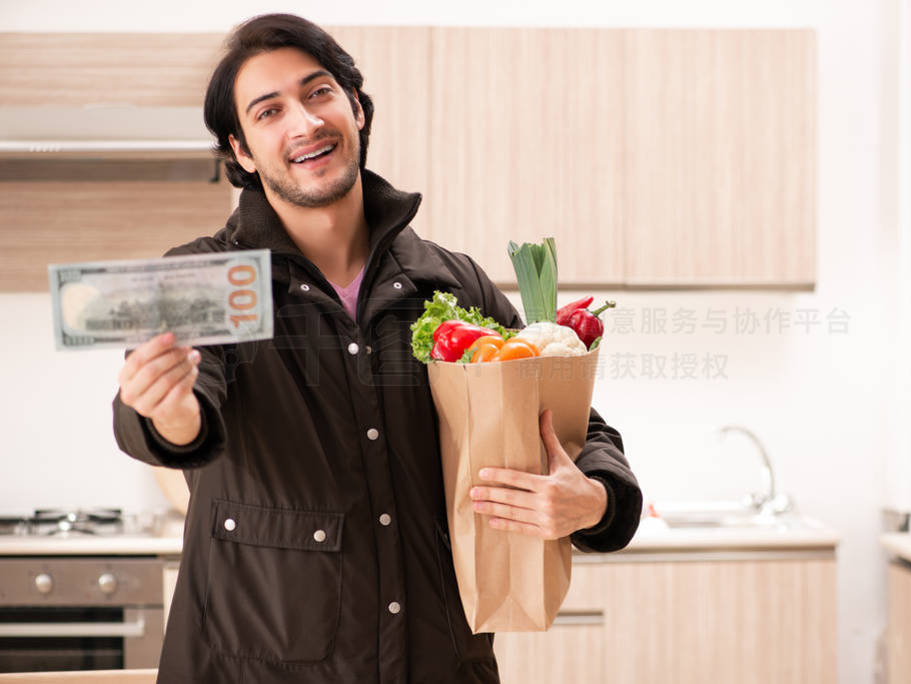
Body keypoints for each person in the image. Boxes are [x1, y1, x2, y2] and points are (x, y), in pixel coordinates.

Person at [113, 13, 641, 684]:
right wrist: (170, 409)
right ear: (242, 150)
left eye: (318, 92)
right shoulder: (206, 282)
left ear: (356, 108)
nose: (303, 123)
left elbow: (575, 425)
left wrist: (594, 499)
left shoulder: (451, 284)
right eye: (268, 111)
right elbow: (181, 417)